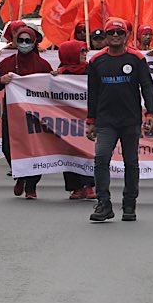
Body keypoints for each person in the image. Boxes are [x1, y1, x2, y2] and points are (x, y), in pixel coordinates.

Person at [86, 18, 153, 222]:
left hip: (130, 120)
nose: (115, 36)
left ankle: (129, 204)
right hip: (106, 121)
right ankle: (104, 204)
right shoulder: (96, 61)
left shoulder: (136, 59)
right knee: (101, 159)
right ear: (106, 37)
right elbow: (93, 93)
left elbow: (147, 87)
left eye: (119, 33)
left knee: (131, 163)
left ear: (126, 35)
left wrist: (151, 114)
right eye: (111, 33)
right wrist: (91, 120)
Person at [0, 26, 52, 199]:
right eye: (21, 41)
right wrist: (1, 80)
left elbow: (51, 89)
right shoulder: (7, 63)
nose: (24, 44)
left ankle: (31, 186)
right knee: (7, 147)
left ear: (34, 43)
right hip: (12, 114)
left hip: (35, 115)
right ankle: (20, 175)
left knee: (35, 149)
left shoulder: (43, 65)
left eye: (28, 41)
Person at [52, 40, 96, 200]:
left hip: (86, 118)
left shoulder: (91, 69)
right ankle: (75, 187)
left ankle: (89, 185)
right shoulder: (61, 73)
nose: (85, 54)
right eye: (81, 51)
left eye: (85, 51)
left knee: (88, 151)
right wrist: (53, 78)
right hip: (67, 120)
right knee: (69, 152)